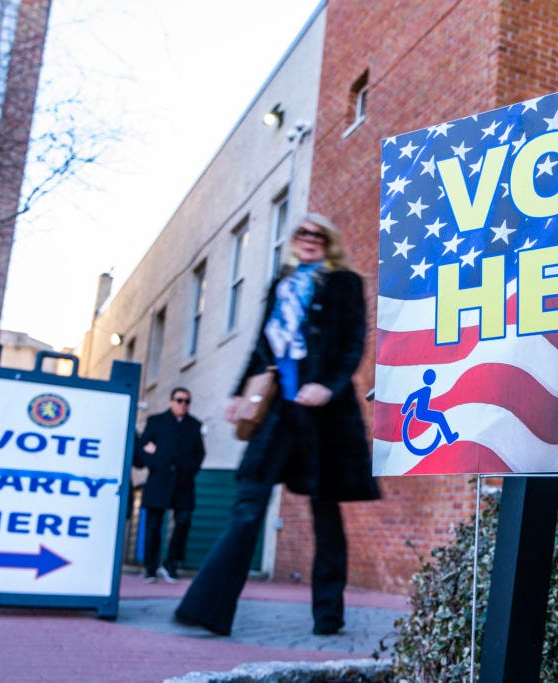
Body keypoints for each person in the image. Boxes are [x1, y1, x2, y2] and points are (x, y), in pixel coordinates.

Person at [174, 213, 380, 636]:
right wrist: (237, 393)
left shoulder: (344, 283)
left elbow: (353, 344)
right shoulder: (281, 284)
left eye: (317, 235)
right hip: (278, 413)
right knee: (248, 502)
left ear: (330, 242)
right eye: (301, 233)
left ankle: (328, 616)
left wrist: (329, 386)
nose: (308, 240)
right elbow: (260, 347)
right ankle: (208, 609)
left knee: (325, 511)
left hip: (323, 416)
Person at [135, 387, 206, 583]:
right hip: (159, 481)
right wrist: (156, 462)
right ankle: (150, 567)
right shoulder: (156, 422)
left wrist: (190, 469)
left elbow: (199, 454)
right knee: (153, 525)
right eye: (179, 400)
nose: (183, 404)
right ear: (171, 401)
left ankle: (171, 563)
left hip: (183, 483)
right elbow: (141, 450)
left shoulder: (194, 425)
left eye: (187, 401)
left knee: (183, 521)